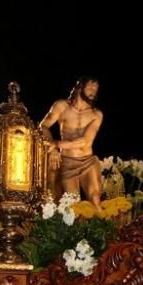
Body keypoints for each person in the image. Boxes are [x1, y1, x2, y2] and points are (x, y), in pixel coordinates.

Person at [39, 76, 104, 209]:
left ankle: (105, 228)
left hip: (87, 160)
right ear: (80, 87)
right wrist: (53, 149)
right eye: (90, 87)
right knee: (72, 203)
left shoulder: (96, 114)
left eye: (96, 89)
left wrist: (56, 144)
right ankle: (78, 229)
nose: (93, 91)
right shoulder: (62, 106)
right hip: (67, 161)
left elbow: (85, 141)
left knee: (96, 198)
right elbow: (43, 126)